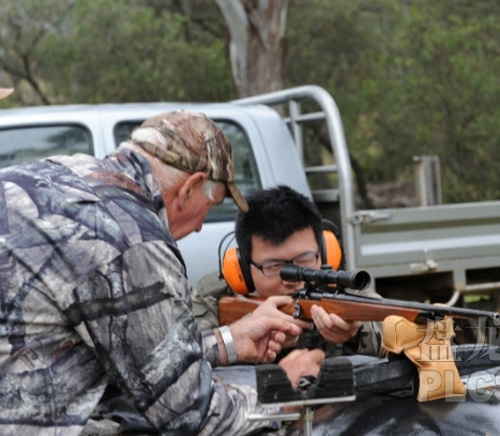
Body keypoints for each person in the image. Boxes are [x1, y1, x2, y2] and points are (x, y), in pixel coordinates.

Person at [0, 95, 319, 436]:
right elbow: (194, 415)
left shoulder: (51, 174)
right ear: (191, 187)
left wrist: (229, 341)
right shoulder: (132, 238)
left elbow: (137, 350)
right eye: (211, 205)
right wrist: (285, 389)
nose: (199, 227)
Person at [193, 185, 384, 359]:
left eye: (304, 260)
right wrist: (238, 335)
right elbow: (183, 358)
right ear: (242, 268)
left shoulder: (340, 289)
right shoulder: (214, 296)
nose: (292, 279)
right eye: (274, 266)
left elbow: (402, 333)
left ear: (324, 254)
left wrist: (357, 334)